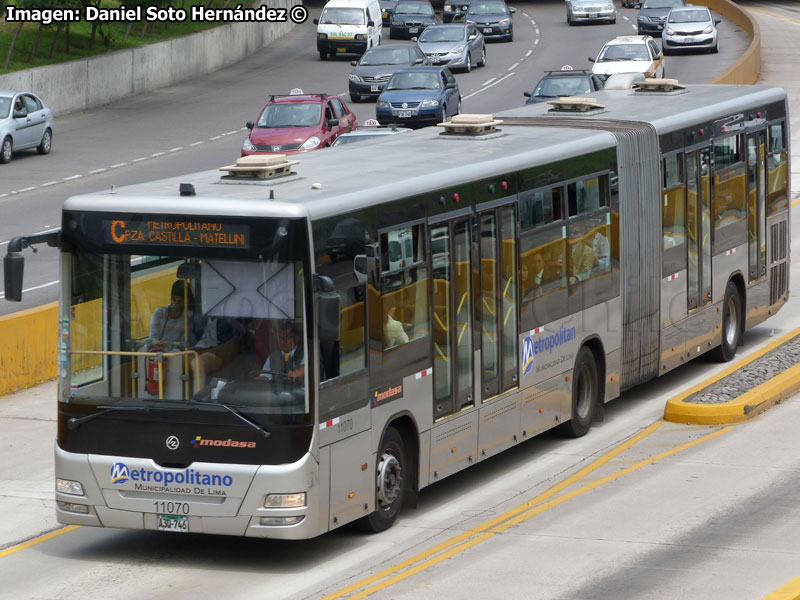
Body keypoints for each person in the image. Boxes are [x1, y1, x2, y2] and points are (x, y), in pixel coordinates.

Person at [149, 280, 195, 348]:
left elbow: (185, 341)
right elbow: (153, 337)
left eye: (181, 300)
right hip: (159, 351)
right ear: (171, 298)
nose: (177, 303)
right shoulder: (160, 312)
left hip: (176, 353)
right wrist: (157, 343)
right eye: (175, 299)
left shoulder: (188, 315)